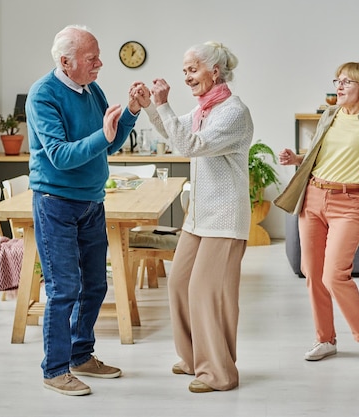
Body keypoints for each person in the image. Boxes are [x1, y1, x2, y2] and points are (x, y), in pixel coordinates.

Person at [26, 24, 145, 396]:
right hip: (55, 203)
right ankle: (55, 368)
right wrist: (105, 135)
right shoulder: (43, 95)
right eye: (92, 58)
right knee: (64, 290)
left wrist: (131, 112)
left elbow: (106, 145)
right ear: (66, 61)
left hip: (92, 201)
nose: (100, 64)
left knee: (95, 284)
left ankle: (81, 355)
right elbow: (60, 156)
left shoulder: (91, 89)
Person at [274, 62, 359, 371]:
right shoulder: (329, 115)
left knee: (335, 275)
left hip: (350, 202)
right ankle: (325, 339)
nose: (338, 86)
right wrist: (297, 159)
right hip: (313, 197)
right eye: (337, 80)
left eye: (347, 82)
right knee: (312, 271)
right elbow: (319, 157)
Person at [135, 41, 253, 393]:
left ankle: (219, 372)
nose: (186, 76)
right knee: (179, 283)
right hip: (198, 216)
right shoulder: (205, 109)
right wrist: (149, 108)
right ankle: (193, 358)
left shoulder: (233, 112)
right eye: (184, 70)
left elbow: (189, 146)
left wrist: (164, 104)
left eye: (192, 69)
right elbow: (174, 133)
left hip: (224, 217)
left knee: (206, 291)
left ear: (214, 72)